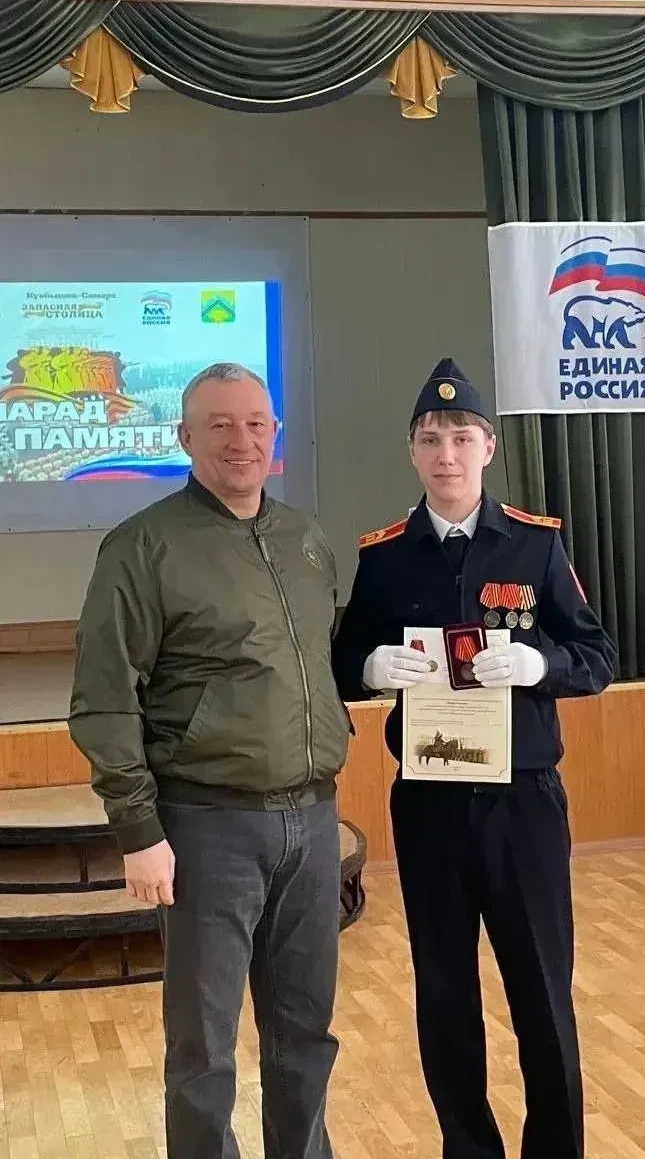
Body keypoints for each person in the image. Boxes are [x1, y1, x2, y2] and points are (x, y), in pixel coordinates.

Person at [332, 358, 617, 1159]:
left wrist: (539, 664)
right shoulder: (385, 556)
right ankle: (468, 1148)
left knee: (541, 993)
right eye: (430, 439)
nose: (446, 454)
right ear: (412, 453)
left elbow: (598, 658)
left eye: (461, 437)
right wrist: (371, 667)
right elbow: (342, 661)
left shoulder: (534, 545)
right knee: (445, 993)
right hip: (429, 802)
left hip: (522, 802)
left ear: (489, 447)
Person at [69, 362, 350, 1159]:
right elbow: (102, 698)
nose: (241, 440)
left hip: (312, 820)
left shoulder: (305, 539)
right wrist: (137, 830)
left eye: (256, 423)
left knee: (306, 1034)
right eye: (220, 424)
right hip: (205, 827)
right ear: (184, 436)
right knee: (203, 1048)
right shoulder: (143, 546)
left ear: (276, 435)